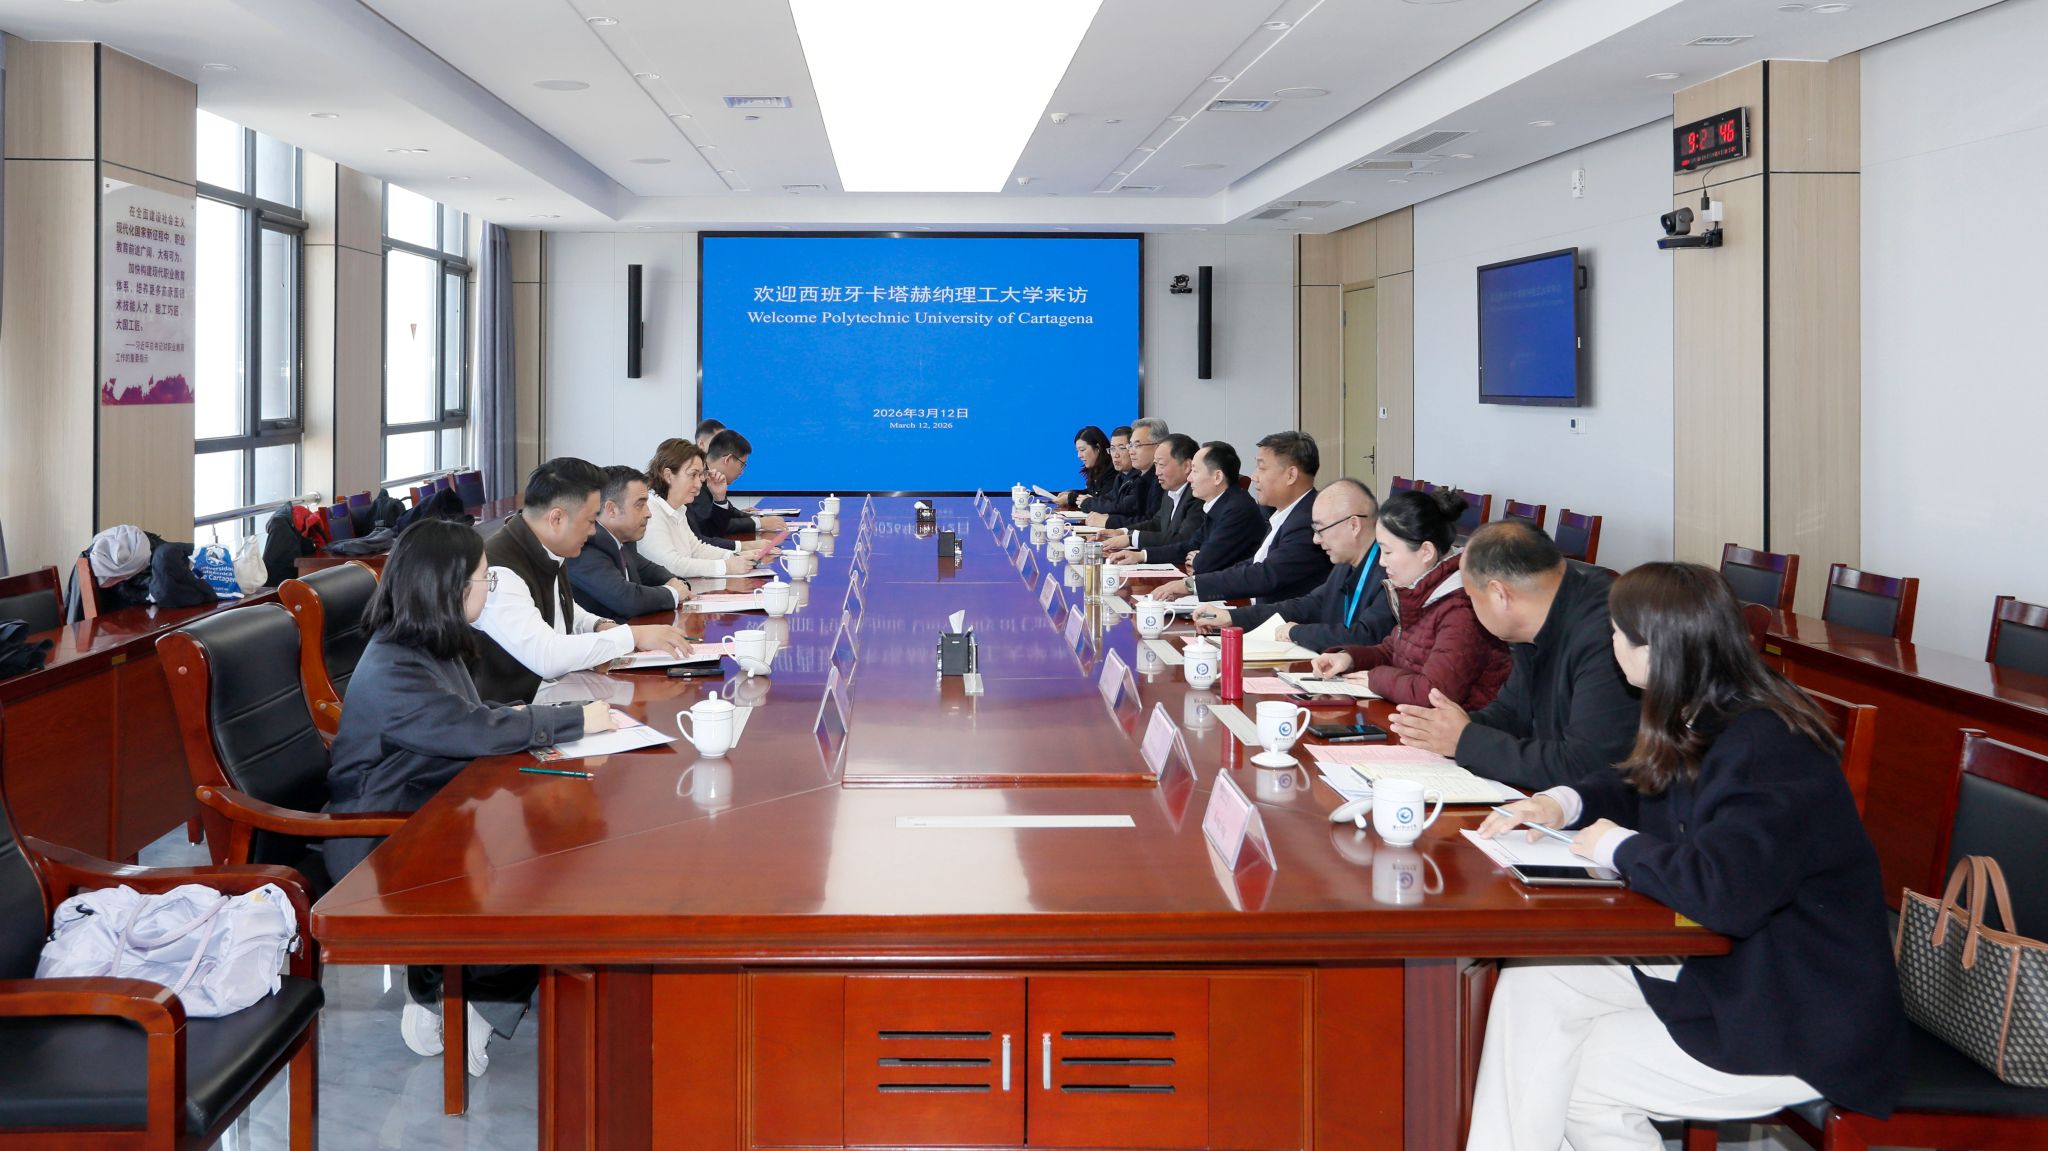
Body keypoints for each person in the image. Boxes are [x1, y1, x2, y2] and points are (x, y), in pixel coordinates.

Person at [1468, 562, 1905, 1149]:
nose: (1611, 644)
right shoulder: (1706, 706)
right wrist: (1563, 802)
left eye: (1618, 634)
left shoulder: (1766, 743)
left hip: (1795, 1008)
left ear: (1657, 648)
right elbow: (1641, 784)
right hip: (1723, 966)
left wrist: (1619, 846)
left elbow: (1726, 894)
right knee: (1536, 983)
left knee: (1572, 1075)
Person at [324, 519, 615, 1077]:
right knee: (537, 883)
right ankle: (469, 997)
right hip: (382, 836)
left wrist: (548, 718)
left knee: (553, 854)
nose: (491, 588)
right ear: (450, 588)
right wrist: (575, 721)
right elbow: (473, 729)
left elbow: (471, 717)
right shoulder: (395, 667)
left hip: (435, 805)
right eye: (486, 578)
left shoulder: (429, 642)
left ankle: (449, 984)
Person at [1386, 520, 1637, 790]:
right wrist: (1450, 728)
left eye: (1471, 598)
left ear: (1499, 594)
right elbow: (1511, 713)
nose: (1471, 608)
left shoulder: (1608, 635)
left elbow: (1585, 766)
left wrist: (1465, 741)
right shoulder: (1538, 616)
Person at [471, 457, 689, 703]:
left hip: (554, 693)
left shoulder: (546, 546)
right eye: (590, 520)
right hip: (513, 710)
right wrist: (632, 636)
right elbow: (546, 655)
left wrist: (599, 625)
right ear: (557, 519)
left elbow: (565, 607)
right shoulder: (498, 570)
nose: (594, 531)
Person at [1309, 488, 1510, 708]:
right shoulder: (1419, 590)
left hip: (1465, 724)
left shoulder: (1461, 609)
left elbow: (1433, 693)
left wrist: (1375, 678)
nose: (1382, 562)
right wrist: (1349, 659)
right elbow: (1394, 651)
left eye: (1387, 552)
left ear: (1426, 552)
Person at [1191, 478, 1394, 650]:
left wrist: (1296, 632)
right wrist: (1232, 617)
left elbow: (1365, 636)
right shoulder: (1344, 565)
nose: (1315, 539)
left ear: (1353, 525)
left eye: (1320, 529)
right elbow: (1306, 607)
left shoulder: (1390, 571)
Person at [1150, 431, 1330, 605]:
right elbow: (1254, 563)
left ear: (1291, 475)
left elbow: (1264, 575)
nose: (1254, 476)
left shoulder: (1308, 521)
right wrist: (1194, 583)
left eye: (1262, 468)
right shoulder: (1284, 513)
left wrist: (1191, 585)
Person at [565, 465, 698, 623]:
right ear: (611, 509)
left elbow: (651, 571)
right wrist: (674, 593)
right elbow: (627, 599)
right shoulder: (587, 544)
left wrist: (676, 583)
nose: (648, 513)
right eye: (640, 505)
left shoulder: (623, 542)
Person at [640, 438, 767, 577]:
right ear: (668, 475)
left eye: (700, 476)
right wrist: (726, 566)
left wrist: (735, 556)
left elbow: (696, 549)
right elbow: (671, 564)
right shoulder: (650, 510)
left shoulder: (679, 508)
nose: (698, 484)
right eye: (692, 475)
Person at [1101, 433, 1202, 560]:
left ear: (1186, 466)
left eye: (1162, 465)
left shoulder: (1197, 496)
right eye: (1155, 465)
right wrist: (1123, 532)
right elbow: (1157, 523)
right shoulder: (1170, 491)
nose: (1157, 472)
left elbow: (1183, 540)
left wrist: (1133, 541)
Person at [689, 429, 787, 544]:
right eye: (742, 465)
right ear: (728, 459)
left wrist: (758, 518)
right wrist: (760, 523)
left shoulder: (714, 478)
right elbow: (712, 526)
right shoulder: (698, 480)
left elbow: (729, 511)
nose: (741, 472)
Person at [1086, 417, 1167, 526]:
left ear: (1158, 447)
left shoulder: (1161, 479)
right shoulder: (1140, 478)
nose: (1131, 451)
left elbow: (1154, 524)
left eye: (1137, 445)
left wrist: (1109, 521)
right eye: (1130, 446)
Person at [1057, 425, 1117, 509]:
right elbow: (1091, 493)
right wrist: (1071, 493)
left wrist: (1071, 498)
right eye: (1077, 451)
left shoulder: (1114, 471)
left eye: (1082, 450)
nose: (1079, 455)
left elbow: (1102, 500)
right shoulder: (1094, 470)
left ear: (1098, 447)